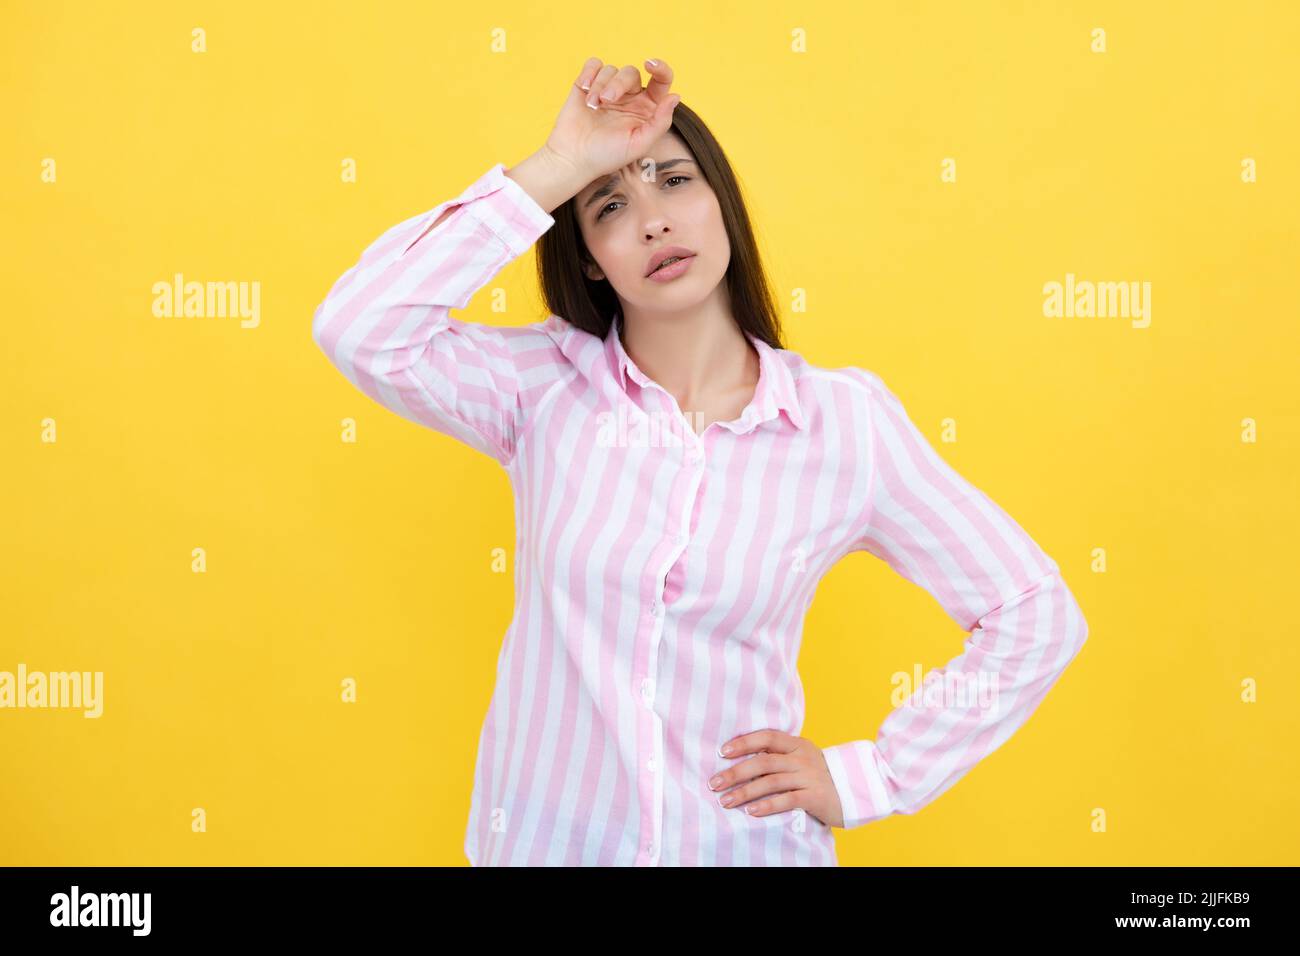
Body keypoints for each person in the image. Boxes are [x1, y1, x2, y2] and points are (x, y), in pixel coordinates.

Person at [311, 57, 1089, 866]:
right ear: (587, 258)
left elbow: (1034, 612)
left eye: (674, 182)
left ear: (722, 204)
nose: (652, 221)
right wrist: (559, 165)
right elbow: (358, 327)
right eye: (610, 205)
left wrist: (873, 777)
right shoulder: (540, 390)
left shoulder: (843, 424)